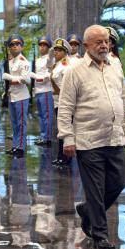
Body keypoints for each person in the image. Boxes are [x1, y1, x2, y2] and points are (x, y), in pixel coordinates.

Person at [57, 25, 125, 249]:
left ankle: (88, 211)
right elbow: (65, 107)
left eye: (106, 41)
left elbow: (124, 99)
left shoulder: (115, 67)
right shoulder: (75, 71)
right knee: (96, 189)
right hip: (88, 140)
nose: (103, 45)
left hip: (114, 136)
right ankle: (100, 234)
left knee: (118, 182)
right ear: (87, 46)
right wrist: (67, 138)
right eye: (98, 42)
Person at [2, 34, 30, 157]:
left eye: (17, 44)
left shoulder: (23, 61)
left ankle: (20, 147)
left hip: (21, 97)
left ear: (21, 46)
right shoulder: (10, 61)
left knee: (21, 123)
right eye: (12, 45)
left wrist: (10, 78)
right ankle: (15, 145)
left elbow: (26, 80)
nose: (14, 46)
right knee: (14, 123)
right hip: (12, 96)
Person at [50, 38, 73, 168]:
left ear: (65, 52)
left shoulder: (66, 66)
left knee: (65, 130)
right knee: (60, 130)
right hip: (57, 101)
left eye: (59, 50)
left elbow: (67, 86)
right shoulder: (57, 64)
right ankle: (60, 156)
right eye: (55, 50)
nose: (56, 52)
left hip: (64, 102)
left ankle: (66, 159)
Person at [32, 36, 55, 147]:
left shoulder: (50, 58)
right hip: (38, 90)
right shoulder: (37, 60)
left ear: (48, 47)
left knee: (47, 115)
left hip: (46, 89)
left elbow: (51, 73)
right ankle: (43, 136)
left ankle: (47, 138)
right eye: (40, 45)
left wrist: (40, 77)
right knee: (41, 115)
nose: (42, 47)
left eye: (44, 45)